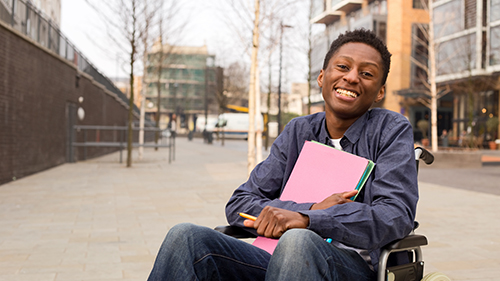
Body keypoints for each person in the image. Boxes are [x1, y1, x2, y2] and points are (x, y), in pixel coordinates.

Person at [147, 29, 418, 281]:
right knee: (185, 237)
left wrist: (309, 221)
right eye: (343, 67)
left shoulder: (390, 130)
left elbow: (394, 215)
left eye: (367, 74)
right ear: (322, 77)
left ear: (380, 92)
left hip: (351, 267)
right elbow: (240, 203)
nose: (352, 77)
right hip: (276, 259)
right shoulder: (299, 131)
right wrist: (307, 210)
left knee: (297, 241)